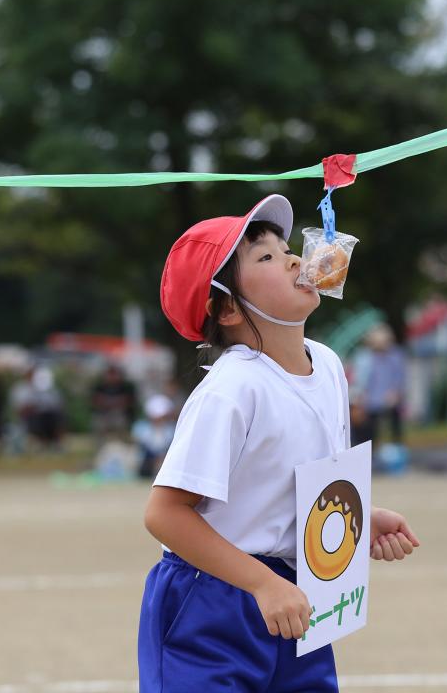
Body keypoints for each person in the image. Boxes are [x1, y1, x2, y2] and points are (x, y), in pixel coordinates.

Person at [139, 194, 420, 692]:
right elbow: (164, 514)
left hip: (295, 590)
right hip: (210, 597)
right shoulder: (231, 388)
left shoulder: (329, 364)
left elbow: (296, 484)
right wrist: (261, 583)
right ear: (226, 307)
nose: (294, 259)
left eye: (287, 248)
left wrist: (361, 517)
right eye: (266, 257)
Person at [359, 323, 408, 446]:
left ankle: (396, 449)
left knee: (394, 426)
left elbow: (399, 376)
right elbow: (364, 379)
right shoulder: (367, 357)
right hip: (373, 399)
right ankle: (373, 451)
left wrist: (395, 392)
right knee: (371, 428)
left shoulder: (395, 356)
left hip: (390, 397)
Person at [131, 394, 176, 478]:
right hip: (145, 464)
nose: (158, 419)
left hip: (166, 464)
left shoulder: (173, 429)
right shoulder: (140, 428)